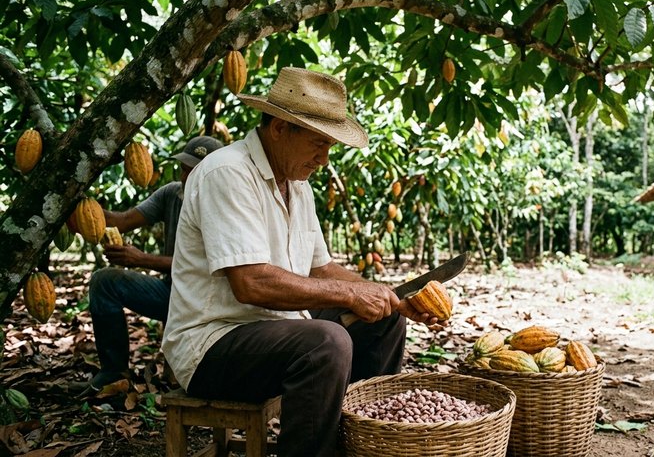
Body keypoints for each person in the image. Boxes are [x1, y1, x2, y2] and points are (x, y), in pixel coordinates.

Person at [162, 68, 440, 457]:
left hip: (273, 332)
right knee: (326, 343)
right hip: (210, 345)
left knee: (385, 322)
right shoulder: (227, 172)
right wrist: (350, 295)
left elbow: (320, 268)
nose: (324, 159)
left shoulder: (298, 184)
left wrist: (392, 297)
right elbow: (252, 283)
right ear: (279, 129)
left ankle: (360, 442)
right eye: (318, 144)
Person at [77, 136, 223, 398]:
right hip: (170, 292)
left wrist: (141, 258)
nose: (187, 176)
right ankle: (113, 372)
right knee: (104, 282)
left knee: (182, 380)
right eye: (184, 168)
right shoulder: (171, 193)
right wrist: (78, 205)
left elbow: (205, 266)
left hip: (206, 302)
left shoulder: (225, 205)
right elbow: (122, 221)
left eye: (196, 170)